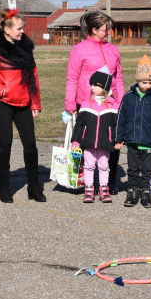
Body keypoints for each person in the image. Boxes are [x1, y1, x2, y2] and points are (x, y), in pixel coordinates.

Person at [0, 8, 45, 203]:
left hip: (24, 100)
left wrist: (35, 102)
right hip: (1, 102)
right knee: (5, 141)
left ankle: (34, 187)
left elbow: (32, 75)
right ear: (6, 29)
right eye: (18, 28)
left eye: (22, 28)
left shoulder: (25, 47)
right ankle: (5, 187)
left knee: (30, 143)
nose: (22, 31)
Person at [65, 10, 126, 194]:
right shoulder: (79, 49)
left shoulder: (113, 49)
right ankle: (86, 181)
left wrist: (122, 104)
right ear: (93, 30)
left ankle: (110, 182)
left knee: (113, 142)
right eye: (105, 29)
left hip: (110, 105)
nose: (108, 32)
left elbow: (119, 79)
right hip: (86, 105)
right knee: (87, 144)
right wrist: (70, 104)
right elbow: (72, 78)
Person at [114, 55, 151, 209]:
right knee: (132, 168)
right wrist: (118, 138)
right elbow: (121, 119)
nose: (147, 85)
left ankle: (146, 192)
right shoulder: (128, 97)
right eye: (144, 82)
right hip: (132, 141)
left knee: (147, 169)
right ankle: (132, 191)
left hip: (149, 141)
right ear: (137, 80)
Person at [71, 67, 119, 203]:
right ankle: (89, 189)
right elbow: (79, 124)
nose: (91, 87)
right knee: (88, 165)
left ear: (104, 87)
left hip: (105, 142)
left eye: (95, 85)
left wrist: (117, 140)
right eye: (91, 85)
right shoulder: (86, 104)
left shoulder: (113, 105)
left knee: (104, 166)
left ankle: (104, 189)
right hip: (89, 142)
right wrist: (75, 142)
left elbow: (116, 125)